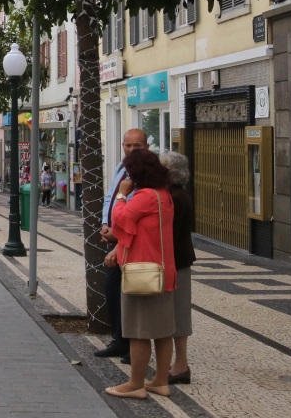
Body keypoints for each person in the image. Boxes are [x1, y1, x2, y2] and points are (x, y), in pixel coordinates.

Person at [102, 148, 177, 399]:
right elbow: (137, 231)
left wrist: (122, 195)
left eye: (129, 172)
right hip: (163, 270)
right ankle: (160, 381)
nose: (127, 177)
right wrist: (119, 248)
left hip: (142, 272)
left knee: (138, 331)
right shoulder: (163, 195)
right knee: (162, 330)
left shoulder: (143, 196)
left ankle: (135, 384)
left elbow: (120, 220)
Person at [95, 128, 148, 362]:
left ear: (146, 147)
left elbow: (137, 214)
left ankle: (132, 347)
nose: (131, 150)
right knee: (113, 291)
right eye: (128, 145)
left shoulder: (147, 174)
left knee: (132, 296)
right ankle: (119, 340)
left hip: (131, 243)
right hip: (115, 238)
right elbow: (110, 196)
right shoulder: (121, 168)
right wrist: (105, 224)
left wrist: (119, 241)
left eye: (137, 146)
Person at [160, 151, 196, 385]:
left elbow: (168, 234)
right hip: (177, 260)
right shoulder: (175, 194)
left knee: (179, 313)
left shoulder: (176, 197)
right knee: (175, 312)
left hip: (177, 262)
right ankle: (177, 364)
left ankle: (181, 365)